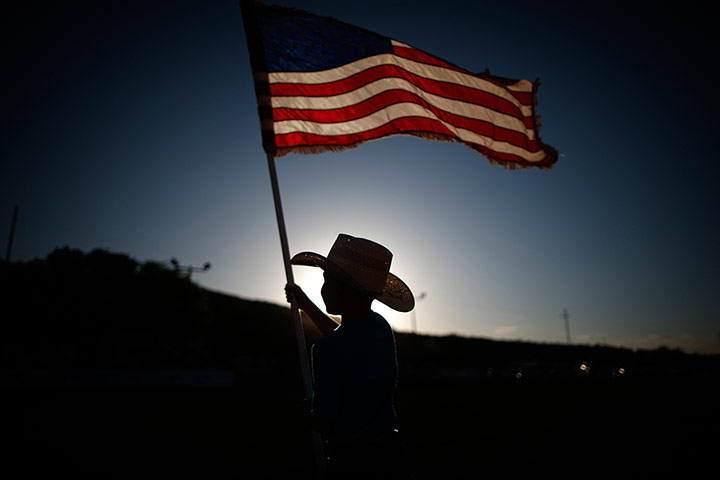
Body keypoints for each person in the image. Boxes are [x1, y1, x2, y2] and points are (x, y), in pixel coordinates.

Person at [285, 233, 414, 478]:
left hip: (353, 461)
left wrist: (306, 414)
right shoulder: (379, 327)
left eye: (327, 281)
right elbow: (345, 336)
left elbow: (324, 421)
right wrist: (306, 304)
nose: (323, 289)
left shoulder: (327, 349)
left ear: (344, 289)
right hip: (391, 454)